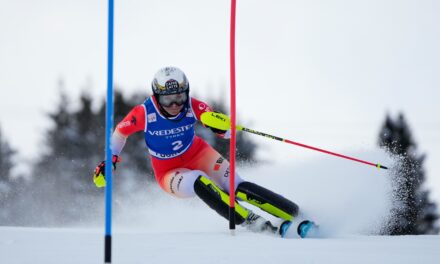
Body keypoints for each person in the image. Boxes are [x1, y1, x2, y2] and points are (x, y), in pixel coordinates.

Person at [93, 66, 315, 238]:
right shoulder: (143, 112)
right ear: (156, 96)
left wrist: (221, 126)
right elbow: (120, 133)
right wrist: (111, 159)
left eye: (179, 96)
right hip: (169, 171)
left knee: (236, 187)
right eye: (167, 99)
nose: (174, 104)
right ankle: (258, 224)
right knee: (200, 182)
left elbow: (224, 132)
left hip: (198, 153)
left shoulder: (192, 105)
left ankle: (298, 215)